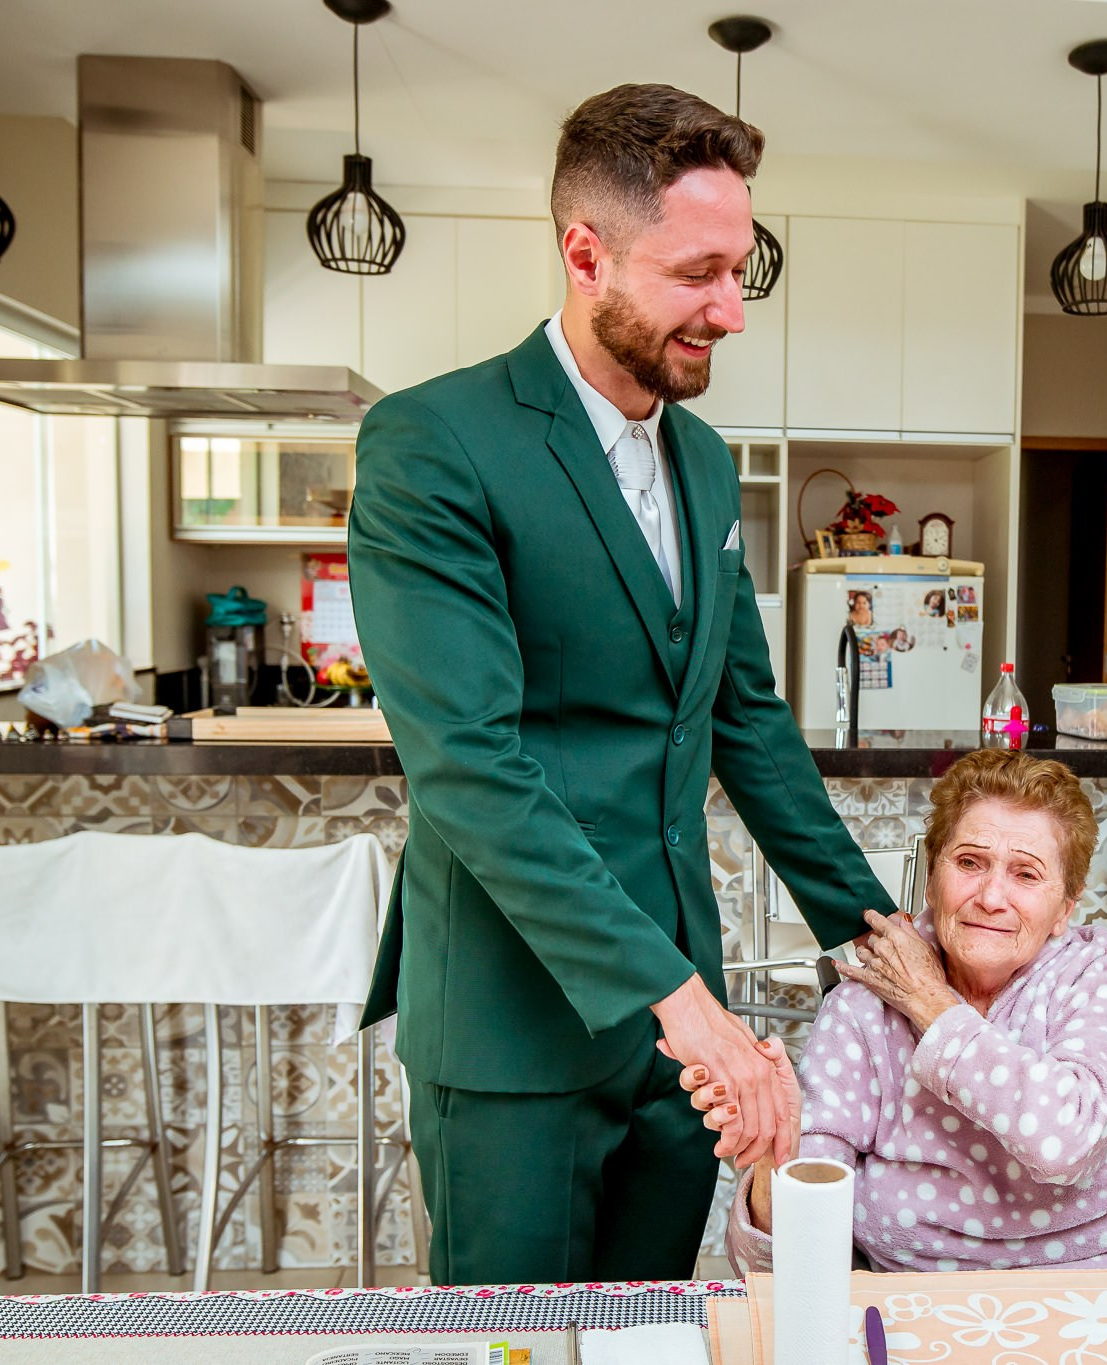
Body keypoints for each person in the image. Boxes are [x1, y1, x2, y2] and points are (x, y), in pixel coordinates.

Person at [347, 83, 897, 1287]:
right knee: (523, 1347)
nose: (731, 312)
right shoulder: (433, 445)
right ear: (584, 253)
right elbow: (469, 768)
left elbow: (741, 715)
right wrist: (684, 1003)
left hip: (671, 1046)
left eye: (741, 270)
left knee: (650, 1328)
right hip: (512, 1025)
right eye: (697, 273)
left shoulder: (704, 462)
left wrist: (880, 938)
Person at [688, 749, 1107, 1273]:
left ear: (1064, 909)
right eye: (968, 863)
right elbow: (783, 1270)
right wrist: (779, 1162)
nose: (990, 897)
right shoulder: (863, 1003)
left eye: (1026, 875)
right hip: (920, 1297)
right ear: (933, 880)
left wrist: (932, 1005)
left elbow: (1068, 1142)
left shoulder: (1093, 970)